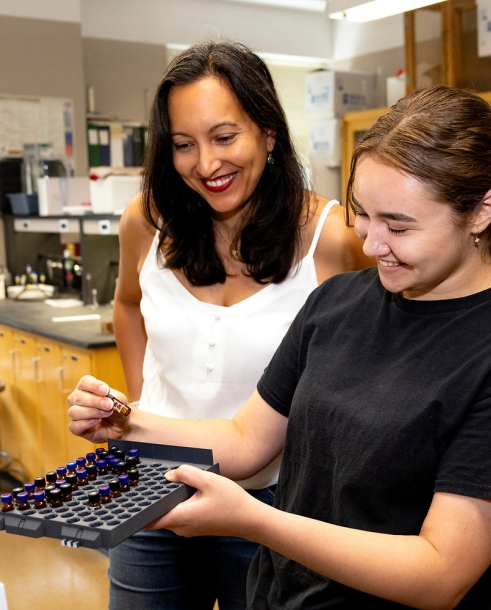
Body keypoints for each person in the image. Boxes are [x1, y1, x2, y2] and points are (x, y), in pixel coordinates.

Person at [70, 85, 491, 610]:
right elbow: (245, 440)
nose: (370, 242)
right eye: (363, 213)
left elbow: (439, 573)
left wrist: (253, 520)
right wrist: (128, 422)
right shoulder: (338, 302)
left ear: (482, 211)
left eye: (398, 225)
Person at [105, 41, 367, 610]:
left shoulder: (335, 238)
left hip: (273, 500)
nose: (205, 164)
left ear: (268, 132)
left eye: (225, 137)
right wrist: (140, 401)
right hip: (152, 487)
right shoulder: (145, 221)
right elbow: (126, 307)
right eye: (183, 144)